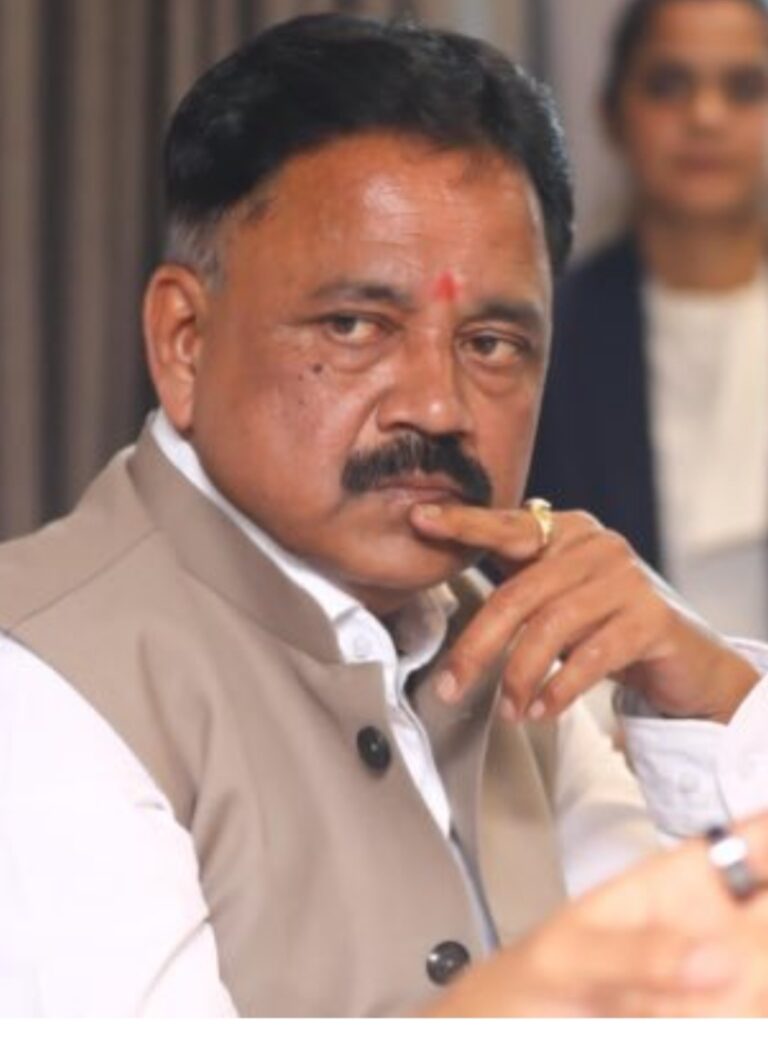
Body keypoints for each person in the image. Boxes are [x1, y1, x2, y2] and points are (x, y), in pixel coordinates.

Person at [2, 11, 768, 1018]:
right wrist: (538, 996)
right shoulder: (42, 678)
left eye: (491, 343)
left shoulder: (502, 644)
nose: (440, 407)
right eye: (356, 326)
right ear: (185, 340)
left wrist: (708, 697)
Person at [528, 0, 768, 640]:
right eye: (668, 85)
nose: (706, 116)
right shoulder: (545, 336)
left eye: (744, 88)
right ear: (612, 113)